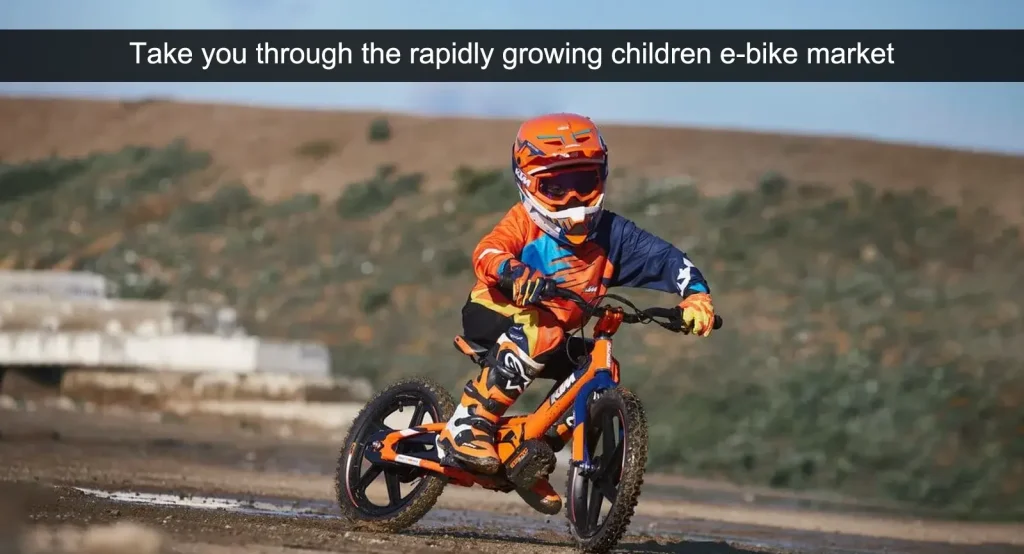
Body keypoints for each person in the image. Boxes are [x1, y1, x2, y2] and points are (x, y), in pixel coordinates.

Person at [437, 112, 716, 515]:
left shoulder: (614, 235)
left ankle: (529, 456)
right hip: (493, 314)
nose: (573, 199)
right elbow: (487, 252)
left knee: (596, 368)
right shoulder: (523, 223)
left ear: (602, 177)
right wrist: (513, 272)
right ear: (527, 183)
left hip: (548, 333)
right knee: (544, 330)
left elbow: (669, 260)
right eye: (555, 187)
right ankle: (467, 425)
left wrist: (696, 296)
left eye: (583, 183)